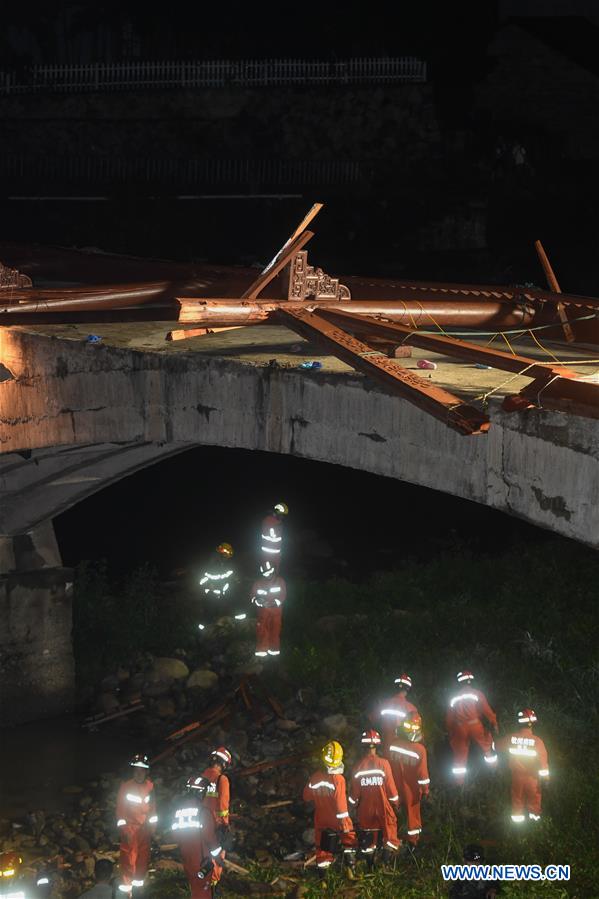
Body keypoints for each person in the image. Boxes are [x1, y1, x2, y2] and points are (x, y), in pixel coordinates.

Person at [302, 741, 357, 870]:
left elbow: (306, 796)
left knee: (321, 844)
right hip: (337, 817)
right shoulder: (338, 779)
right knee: (348, 839)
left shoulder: (315, 777)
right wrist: (344, 822)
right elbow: (340, 803)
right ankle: (351, 867)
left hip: (321, 817)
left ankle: (323, 876)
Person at [349, 729, 400, 860]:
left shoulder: (358, 766)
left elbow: (354, 794)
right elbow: (391, 788)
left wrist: (353, 806)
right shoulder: (384, 764)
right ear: (377, 746)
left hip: (365, 809)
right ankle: (386, 862)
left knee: (368, 836)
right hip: (383, 806)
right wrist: (395, 802)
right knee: (390, 830)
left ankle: (370, 866)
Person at [170, 776, 223, 897]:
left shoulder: (178, 812)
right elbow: (210, 838)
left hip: (186, 857)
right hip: (202, 859)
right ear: (200, 792)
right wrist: (218, 857)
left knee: (194, 888)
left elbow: (175, 835)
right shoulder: (203, 812)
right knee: (203, 891)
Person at [497, 708, 549, 824]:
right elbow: (543, 763)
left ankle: (517, 831)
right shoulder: (537, 741)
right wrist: (546, 779)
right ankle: (535, 827)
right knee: (534, 802)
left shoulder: (511, 738)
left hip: (516, 778)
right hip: (533, 779)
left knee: (517, 801)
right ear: (533, 724)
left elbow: (496, 746)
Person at [446, 671, 498, 785]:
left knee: (459, 755)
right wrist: (494, 723)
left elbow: (449, 719)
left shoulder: (453, 697)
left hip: (460, 728)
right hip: (475, 725)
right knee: (487, 746)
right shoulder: (477, 694)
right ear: (471, 681)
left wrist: (450, 731)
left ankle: (459, 784)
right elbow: (487, 711)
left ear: (459, 682)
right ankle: (494, 773)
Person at [116, 753, 157, 894]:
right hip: (130, 829)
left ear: (146, 771)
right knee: (128, 862)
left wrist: (152, 829)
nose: (139, 773)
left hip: (144, 830)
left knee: (142, 862)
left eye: (142, 770)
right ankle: (126, 893)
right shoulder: (126, 787)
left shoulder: (150, 787)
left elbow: (153, 809)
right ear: (133, 771)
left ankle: (138, 893)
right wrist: (124, 830)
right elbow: (120, 811)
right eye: (136, 770)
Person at [388, 712, 430, 849]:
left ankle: (392, 839)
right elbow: (423, 775)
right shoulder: (420, 750)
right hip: (411, 790)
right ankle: (413, 843)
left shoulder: (393, 744)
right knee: (413, 815)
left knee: (394, 813)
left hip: (393, 787)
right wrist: (425, 791)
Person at [378, 673, 419, 756]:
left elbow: (373, 721)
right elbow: (416, 735)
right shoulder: (412, 709)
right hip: (401, 752)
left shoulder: (384, 704)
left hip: (384, 748)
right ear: (408, 689)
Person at [250, 566, 287, 657]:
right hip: (263, 610)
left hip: (276, 610)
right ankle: (262, 651)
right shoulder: (258, 583)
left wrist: (275, 602)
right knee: (262, 629)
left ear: (273, 571)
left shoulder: (280, 581)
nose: (267, 576)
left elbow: (283, 594)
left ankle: (274, 651)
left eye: (269, 573)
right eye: (265, 574)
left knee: (275, 629)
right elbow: (252, 595)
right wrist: (257, 601)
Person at [198, 543, 235, 631]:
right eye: (226, 555)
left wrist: (230, 583)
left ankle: (216, 630)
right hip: (211, 595)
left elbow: (227, 578)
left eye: (228, 556)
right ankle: (205, 632)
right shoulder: (212, 564)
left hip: (221, 595)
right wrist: (209, 586)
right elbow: (202, 580)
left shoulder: (224, 564)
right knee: (209, 615)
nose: (227, 558)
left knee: (218, 614)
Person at [202, 747, 232, 839]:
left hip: (198, 822)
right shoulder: (222, 779)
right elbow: (223, 805)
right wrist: (225, 824)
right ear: (223, 764)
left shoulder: (199, 777)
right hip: (213, 824)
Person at [259, 503, 288, 573]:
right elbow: (274, 535)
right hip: (268, 553)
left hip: (276, 553)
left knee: (274, 572)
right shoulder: (270, 521)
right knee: (268, 572)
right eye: (282, 515)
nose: (282, 517)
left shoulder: (277, 522)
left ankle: (274, 581)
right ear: (277, 513)